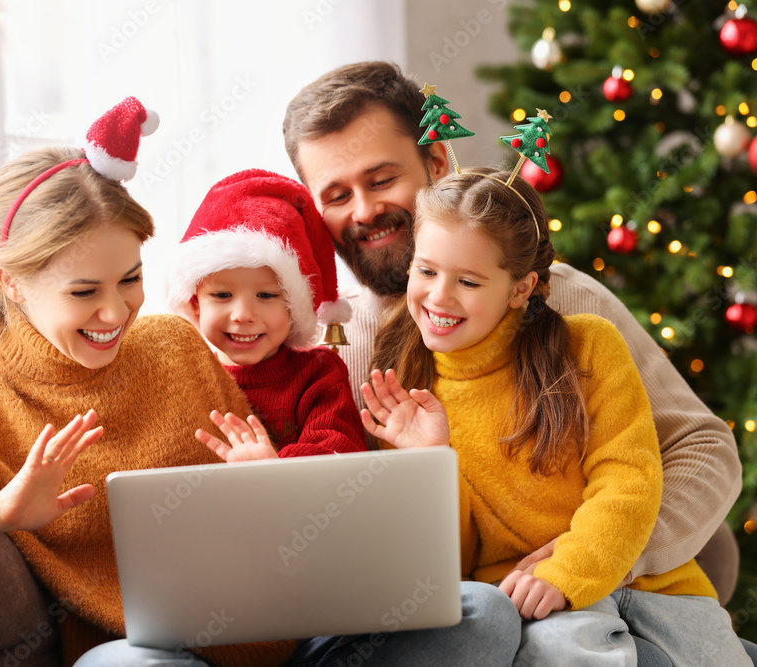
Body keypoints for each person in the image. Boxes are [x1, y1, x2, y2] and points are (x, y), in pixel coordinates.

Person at [0, 99, 521, 667]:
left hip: (295, 633)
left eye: (130, 280)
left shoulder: (170, 339)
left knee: (482, 615)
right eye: (83, 292)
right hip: (152, 650)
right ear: (11, 284)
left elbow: (284, 483)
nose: (115, 312)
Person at [282, 61, 756, 663]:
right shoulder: (325, 344)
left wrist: (592, 556)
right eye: (337, 195)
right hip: (480, 614)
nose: (364, 210)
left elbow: (701, 449)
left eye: (381, 179)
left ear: (435, 165)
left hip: (604, 592)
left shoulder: (569, 305)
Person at [359, 167, 751, 664]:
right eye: (427, 270)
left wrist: (568, 571)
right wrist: (434, 462)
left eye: (469, 281)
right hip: (522, 605)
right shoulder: (404, 385)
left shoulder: (588, 347)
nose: (439, 296)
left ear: (521, 288)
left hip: (646, 587)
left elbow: (628, 480)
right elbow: (452, 570)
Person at [165, 169, 365, 460]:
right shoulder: (185, 377)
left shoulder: (318, 374)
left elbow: (340, 449)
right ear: (195, 304)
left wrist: (273, 470)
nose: (243, 315)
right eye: (222, 295)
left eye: (267, 295)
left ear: (294, 307)